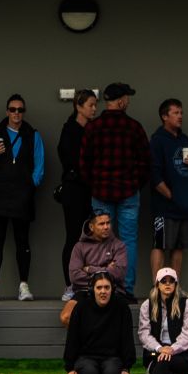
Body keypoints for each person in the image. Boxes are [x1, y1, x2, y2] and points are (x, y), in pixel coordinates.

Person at [81, 82, 151, 285]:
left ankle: (102, 285)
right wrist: (135, 182)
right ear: (121, 102)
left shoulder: (93, 128)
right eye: (127, 98)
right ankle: (126, 287)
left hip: (101, 192)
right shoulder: (134, 127)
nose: (128, 101)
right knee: (128, 241)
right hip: (128, 191)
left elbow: (84, 163)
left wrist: (94, 184)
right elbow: (145, 161)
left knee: (101, 239)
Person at [0, 93, 45, 302]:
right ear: (7, 111)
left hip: (21, 196)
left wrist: (30, 184)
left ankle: (24, 285)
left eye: (20, 110)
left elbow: (39, 165)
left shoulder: (32, 135)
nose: (16, 113)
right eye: (13, 109)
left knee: (22, 241)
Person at [146, 97, 188, 286]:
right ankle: (156, 287)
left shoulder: (185, 139)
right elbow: (154, 175)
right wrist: (170, 195)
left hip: (185, 204)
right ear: (164, 116)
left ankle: (174, 287)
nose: (180, 116)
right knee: (160, 244)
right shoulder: (158, 141)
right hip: (164, 206)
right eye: (176, 113)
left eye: (181, 112)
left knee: (179, 246)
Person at [54, 86, 102, 269]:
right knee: (74, 236)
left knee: (93, 235)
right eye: (90, 105)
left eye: (95, 105)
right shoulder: (69, 131)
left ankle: (89, 279)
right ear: (78, 106)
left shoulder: (93, 130)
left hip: (92, 189)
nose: (94, 109)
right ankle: (70, 282)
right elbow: (69, 159)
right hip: (74, 188)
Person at [63, 273, 132, 374]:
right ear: (92, 289)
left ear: (112, 289)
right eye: (99, 287)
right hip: (85, 357)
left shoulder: (122, 307)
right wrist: (70, 368)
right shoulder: (81, 307)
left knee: (111, 373)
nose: (103, 291)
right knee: (90, 373)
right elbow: (72, 338)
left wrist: (126, 367)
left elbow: (127, 339)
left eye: (106, 287)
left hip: (112, 358)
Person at [137, 266, 188, 374]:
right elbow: (144, 333)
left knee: (163, 363)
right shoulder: (147, 305)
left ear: (176, 284)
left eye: (171, 281)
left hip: (181, 355)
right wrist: (160, 348)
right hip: (155, 354)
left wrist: (171, 349)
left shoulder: (186, 304)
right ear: (157, 284)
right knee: (164, 367)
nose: (167, 284)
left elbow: (187, 334)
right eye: (163, 281)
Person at [64, 207, 128, 324]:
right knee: (66, 316)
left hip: (112, 291)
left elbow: (119, 273)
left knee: (109, 319)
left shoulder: (119, 246)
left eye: (108, 223)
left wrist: (89, 269)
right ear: (91, 227)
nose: (106, 227)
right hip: (84, 291)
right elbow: (74, 276)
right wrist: (107, 270)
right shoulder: (79, 247)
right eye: (101, 224)